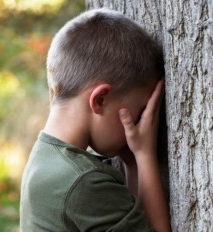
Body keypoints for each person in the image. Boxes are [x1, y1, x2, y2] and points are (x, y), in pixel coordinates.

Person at [20, 8, 171, 232]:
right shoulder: (83, 182)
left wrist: (132, 164)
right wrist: (145, 154)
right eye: (140, 113)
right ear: (100, 99)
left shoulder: (46, 158)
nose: (140, 127)